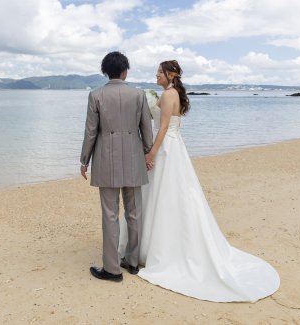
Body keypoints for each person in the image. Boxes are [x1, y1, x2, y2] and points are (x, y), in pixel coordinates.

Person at [117, 60, 280, 302]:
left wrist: (151, 152)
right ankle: (146, 247)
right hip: (174, 146)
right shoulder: (171, 93)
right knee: (164, 194)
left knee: (163, 194)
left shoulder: (170, 94)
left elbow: (162, 128)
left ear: (171, 75)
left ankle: (154, 250)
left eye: (160, 72)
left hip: (166, 149)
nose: (156, 75)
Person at [80, 51, 154, 282]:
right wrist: (148, 153)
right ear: (125, 71)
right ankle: (132, 263)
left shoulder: (96, 95)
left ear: (106, 71)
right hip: (133, 158)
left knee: (110, 215)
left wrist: (84, 160)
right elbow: (146, 129)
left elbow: (91, 131)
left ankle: (112, 269)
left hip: (106, 160)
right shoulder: (138, 94)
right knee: (134, 212)